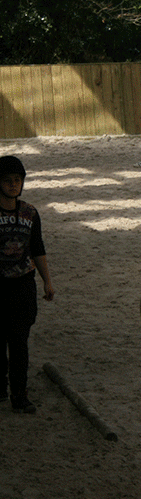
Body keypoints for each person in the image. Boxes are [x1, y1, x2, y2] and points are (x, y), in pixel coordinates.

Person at [0, 156, 55, 414]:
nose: (13, 185)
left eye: (17, 180)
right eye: (8, 180)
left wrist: (47, 281)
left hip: (23, 285)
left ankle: (19, 394)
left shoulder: (30, 213)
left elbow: (38, 248)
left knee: (20, 341)